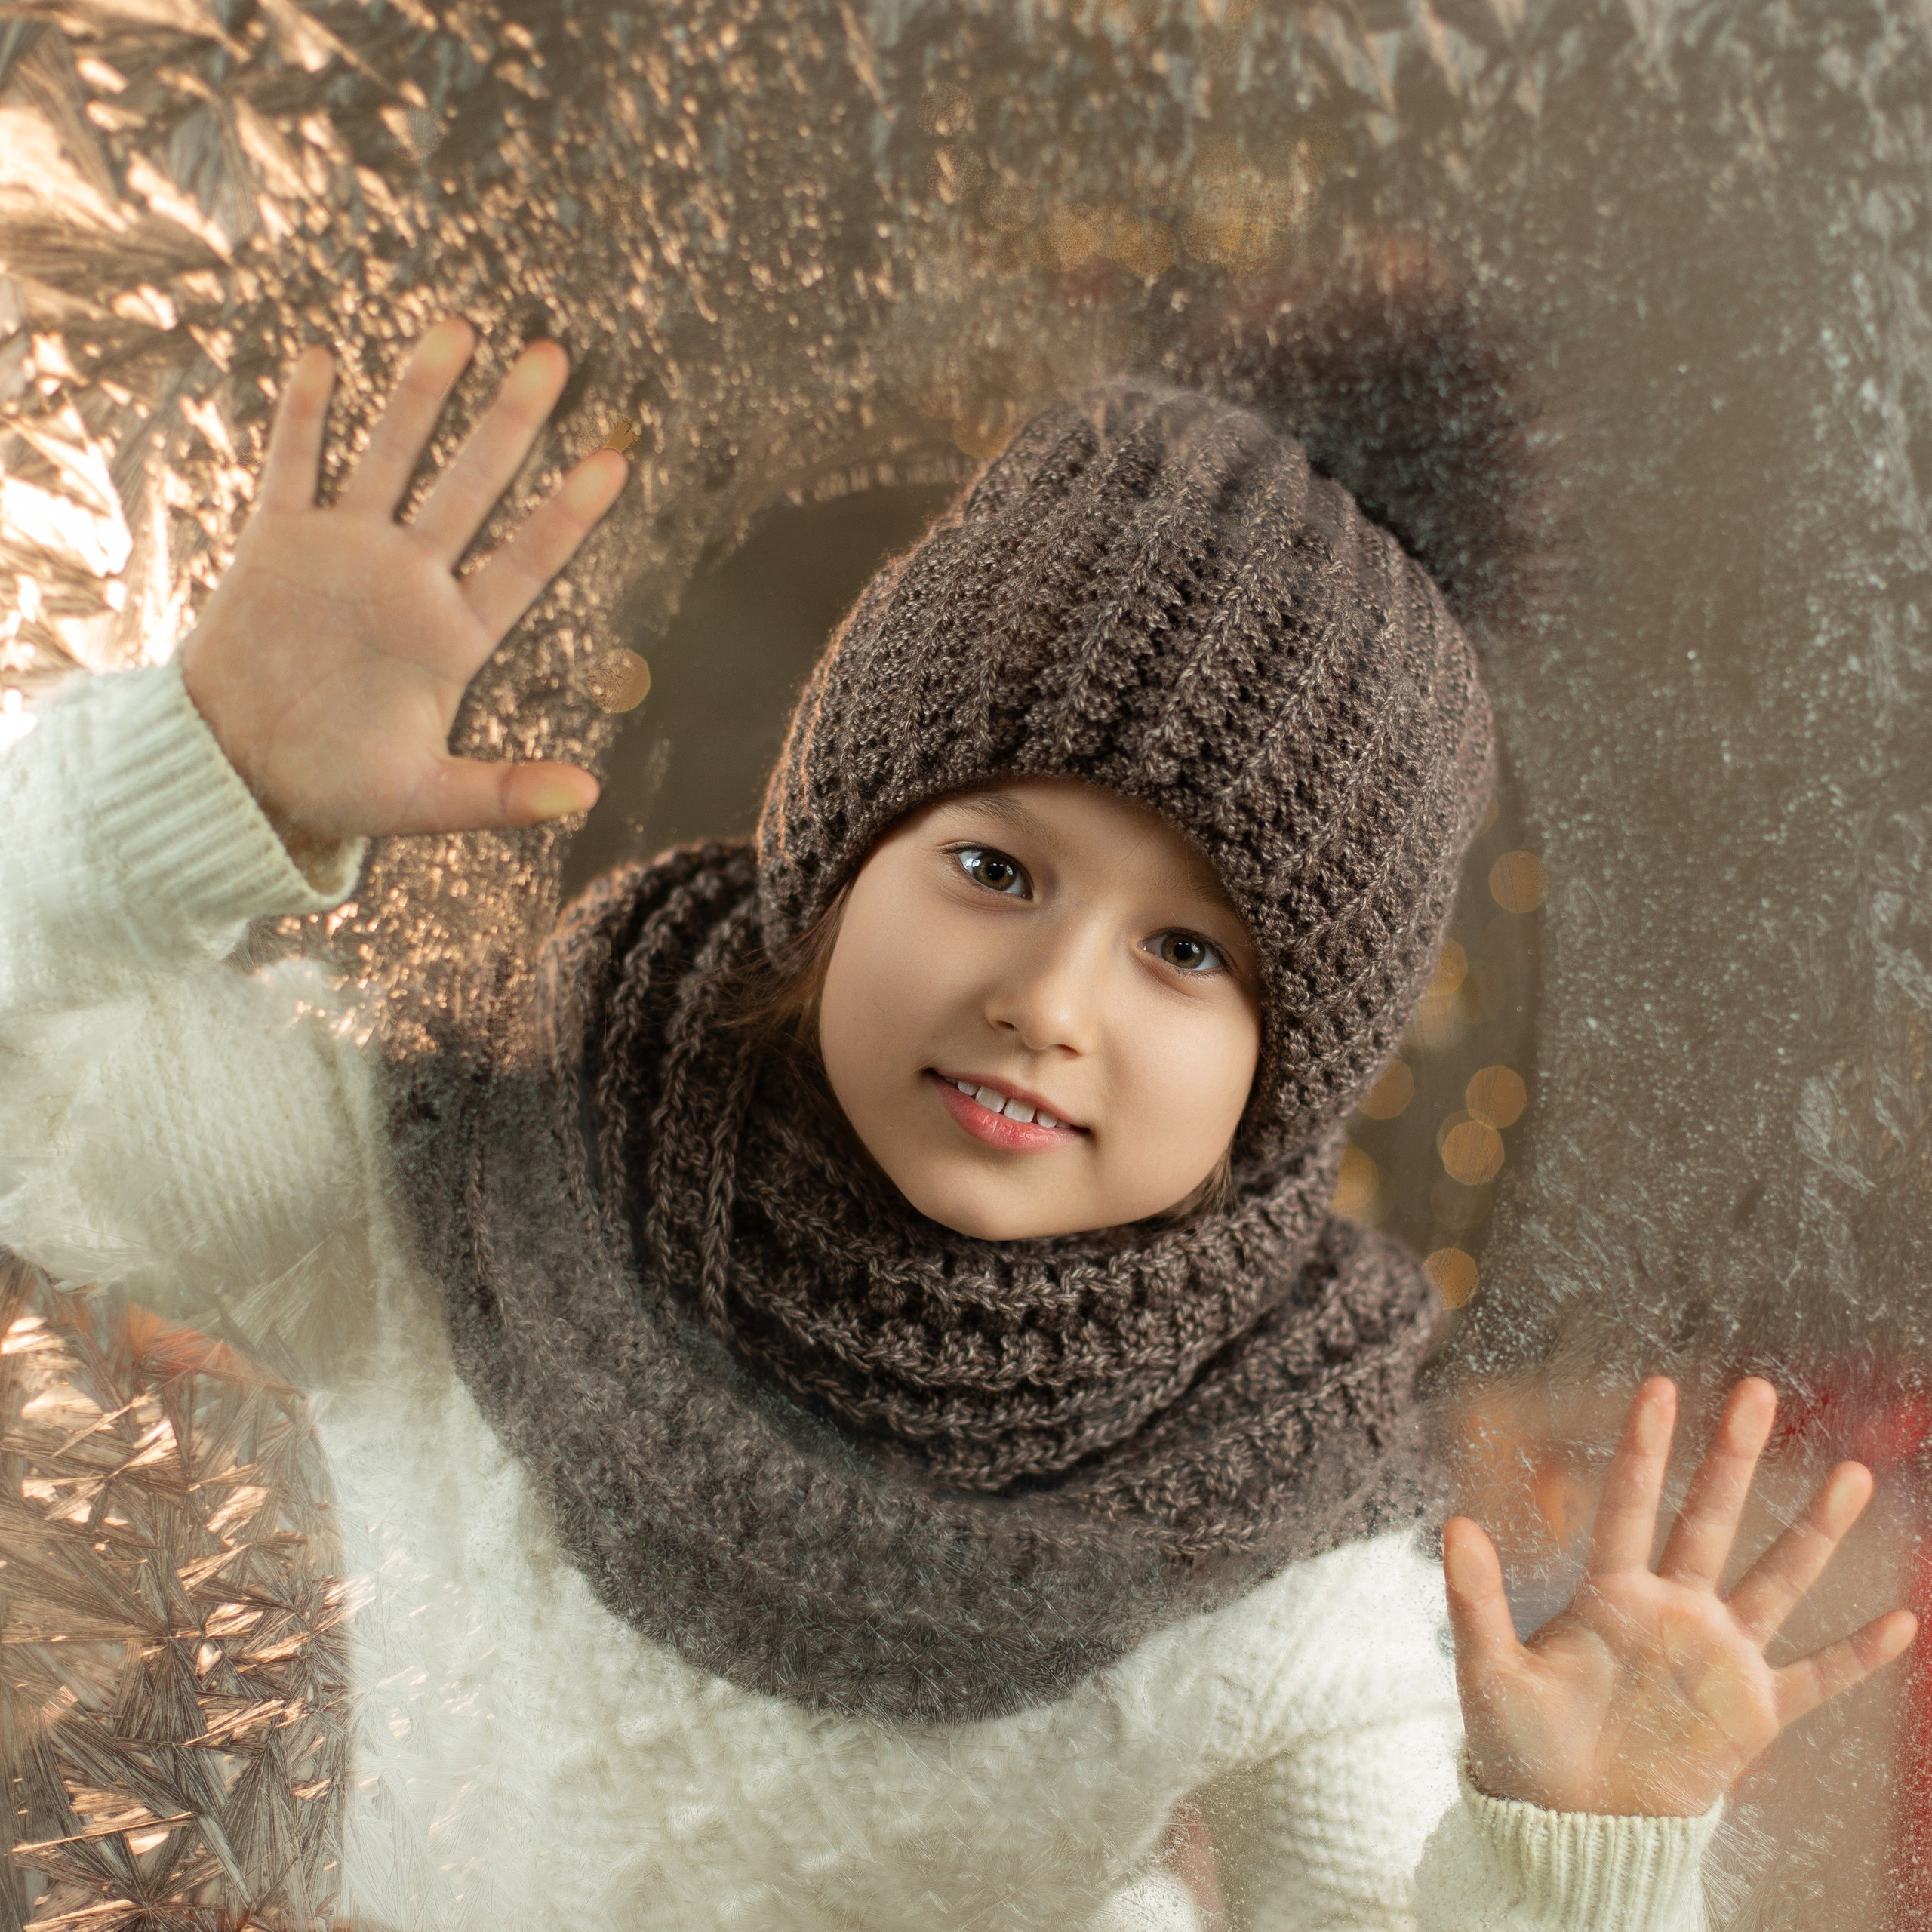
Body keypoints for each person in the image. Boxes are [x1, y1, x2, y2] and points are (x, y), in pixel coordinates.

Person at [0, 319, 1912, 1930]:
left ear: (1285, 1083)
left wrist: (1575, 1847)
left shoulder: (1259, 1541)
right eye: (992, 860)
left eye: (1186, 949)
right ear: (831, 857)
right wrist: (192, 768)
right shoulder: (476, 1210)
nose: (1053, 999)